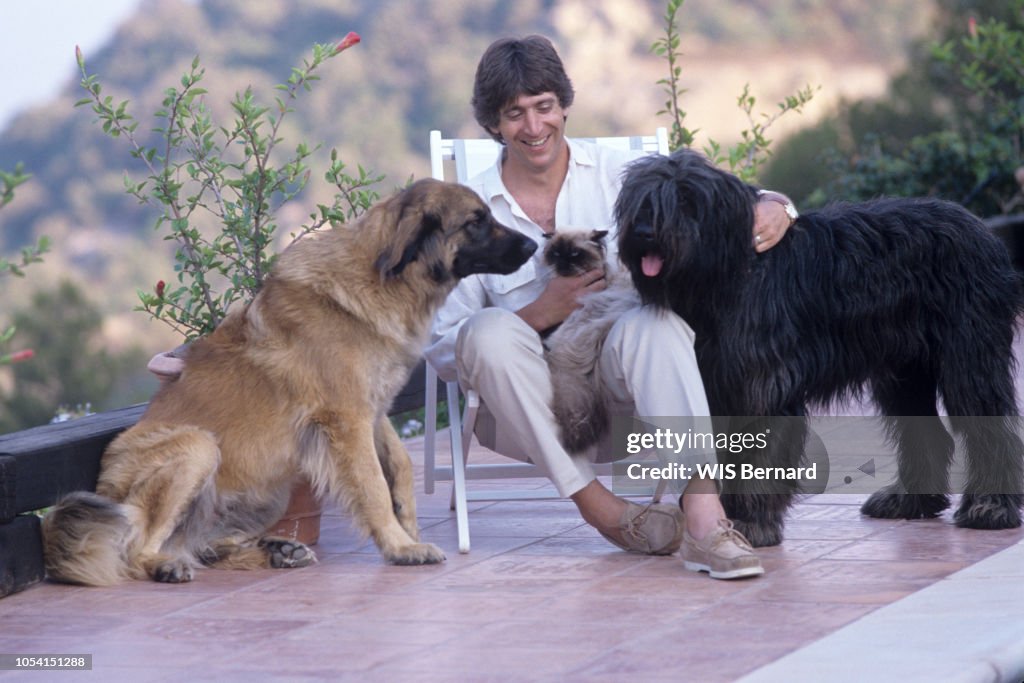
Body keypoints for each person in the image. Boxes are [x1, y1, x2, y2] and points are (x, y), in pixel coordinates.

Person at [424, 35, 797, 580]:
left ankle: (703, 517)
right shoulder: (465, 213)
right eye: (514, 114)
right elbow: (442, 347)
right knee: (486, 332)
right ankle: (606, 513)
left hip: (627, 402)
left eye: (544, 107)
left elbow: (718, 201)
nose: (533, 128)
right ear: (492, 123)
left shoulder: (625, 175)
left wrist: (776, 203)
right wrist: (540, 312)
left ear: (565, 104)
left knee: (658, 322)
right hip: (525, 414)